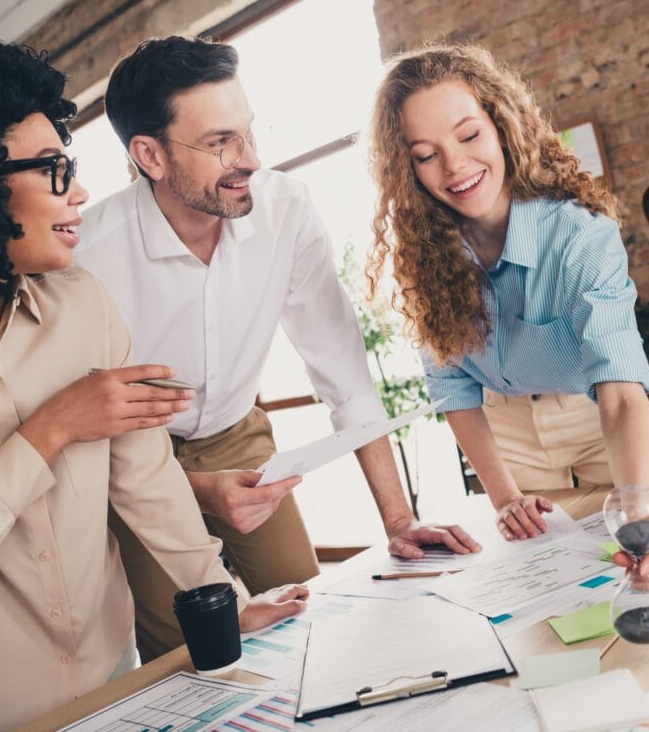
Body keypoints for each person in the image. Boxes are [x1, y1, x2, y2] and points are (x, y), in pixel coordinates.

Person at [0, 37, 306, 732]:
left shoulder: (81, 303)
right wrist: (52, 427)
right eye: (54, 169)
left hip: (111, 687)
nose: (82, 190)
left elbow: (145, 479)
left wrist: (220, 595)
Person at [74, 36, 479, 662]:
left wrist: (399, 520)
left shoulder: (285, 209)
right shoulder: (88, 256)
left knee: (307, 609)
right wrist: (197, 489)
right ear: (149, 155)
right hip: (138, 463)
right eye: (220, 143)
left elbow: (343, 370)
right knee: (190, 650)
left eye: (248, 132)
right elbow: (84, 432)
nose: (251, 160)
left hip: (238, 435)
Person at [366, 43, 649, 587]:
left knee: (648, 561)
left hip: (595, 416)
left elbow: (619, 388)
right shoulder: (422, 261)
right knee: (544, 588)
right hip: (505, 433)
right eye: (425, 154)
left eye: (469, 135)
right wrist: (503, 496)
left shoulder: (578, 234)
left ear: (501, 126)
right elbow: (453, 389)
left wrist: (644, 514)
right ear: (407, 169)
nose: (455, 166)